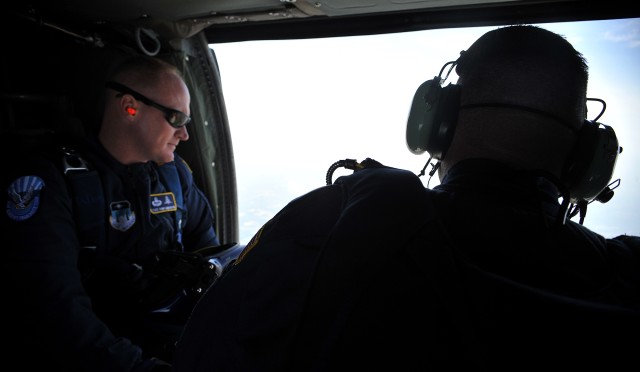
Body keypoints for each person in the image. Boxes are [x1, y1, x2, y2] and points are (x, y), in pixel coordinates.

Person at [172, 25, 640, 371]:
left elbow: (205, 352)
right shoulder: (627, 279)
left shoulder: (338, 226)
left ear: (436, 123)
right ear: (587, 158)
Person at [2, 55, 221, 371]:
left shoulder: (176, 177)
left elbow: (212, 261)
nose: (184, 134)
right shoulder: (50, 183)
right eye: (175, 118)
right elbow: (53, 309)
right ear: (130, 107)